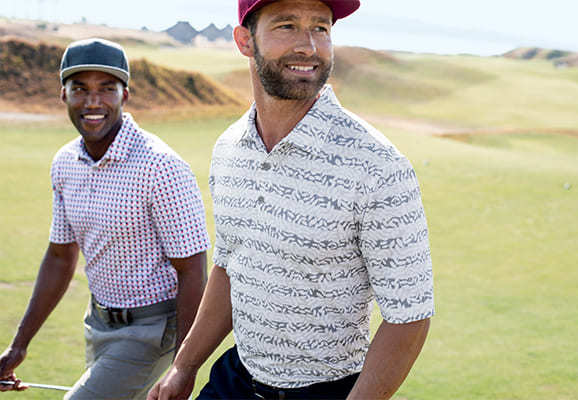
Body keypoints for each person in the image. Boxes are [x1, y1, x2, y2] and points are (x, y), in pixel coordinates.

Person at [149, 0, 434, 398]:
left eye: (321, 28)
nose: (309, 46)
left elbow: (409, 317)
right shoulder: (230, 148)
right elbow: (231, 266)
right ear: (245, 41)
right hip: (235, 379)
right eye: (287, 26)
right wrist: (185, 365)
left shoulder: (378, 165)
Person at [0, 38, 211, 400]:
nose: (93, 102)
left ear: (124, 95)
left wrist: (182, 369)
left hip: (153, 330)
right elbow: (59, 256)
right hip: (97, 325)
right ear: (63, 95)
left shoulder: (160, 166)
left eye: (106, 89)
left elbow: (193, 269)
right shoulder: (64, 162)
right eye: (80, 89)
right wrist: (18, 347)